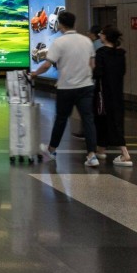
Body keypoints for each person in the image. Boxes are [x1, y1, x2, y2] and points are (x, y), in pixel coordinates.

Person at [32, 10, 99, 166]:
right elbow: (92, 65)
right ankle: (91, 155)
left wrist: (35, 73)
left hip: (66, 88)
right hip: (86, 86)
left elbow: (47, 64)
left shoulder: (59, 42)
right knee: (88, 120)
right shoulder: (86, 41)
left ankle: (51, 149)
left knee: (61, 119)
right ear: (74, 23)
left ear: (61, 24)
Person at [93, 25, 133, 167]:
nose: (99, 34)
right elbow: (122, 72)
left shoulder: (101, 53)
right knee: (112, 120)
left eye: (101, 33)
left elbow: (97, 73)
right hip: (117, 92)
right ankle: (101, 149)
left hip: (103, 92)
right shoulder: (120, 54)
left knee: (104, 119)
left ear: (106, 37)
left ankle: (125, 153)